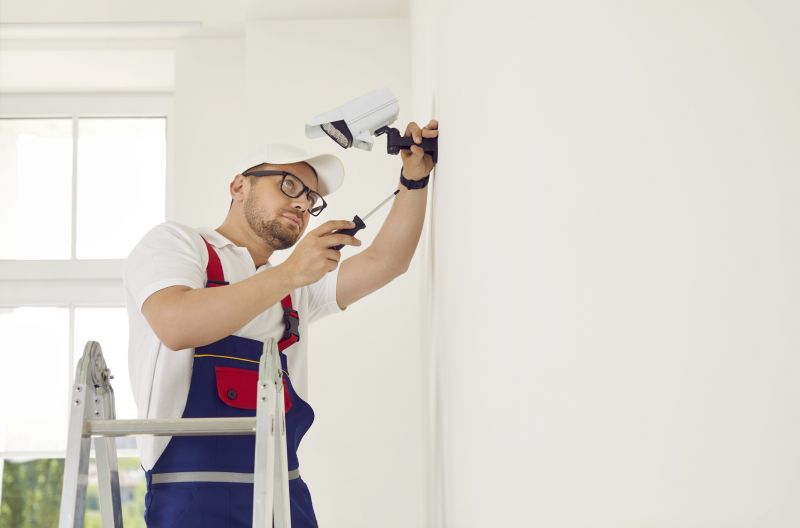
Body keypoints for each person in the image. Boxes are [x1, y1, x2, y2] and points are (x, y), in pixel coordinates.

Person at [122, 119, 438, 527]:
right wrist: (291, 272)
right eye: (289, 185)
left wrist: (414, 179)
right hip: (192, 500)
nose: (303, 204)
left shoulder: (295, 289)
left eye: (311, 198)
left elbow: (386, 261)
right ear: (239, 186)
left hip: (284, 498)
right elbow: (176, 324)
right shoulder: (178, 244)